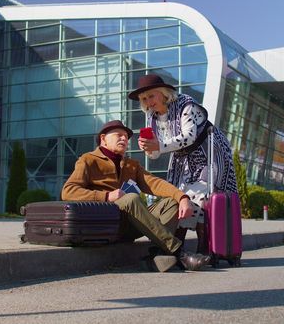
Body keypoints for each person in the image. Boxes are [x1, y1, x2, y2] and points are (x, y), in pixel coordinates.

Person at [61, 120, 209, 272]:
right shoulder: (88, 160)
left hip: (134, 223)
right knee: (130, 198)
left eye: (126, 137)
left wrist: (182, 197)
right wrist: (106, 196)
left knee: (172, 203)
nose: (124, 139)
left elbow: (155, 183)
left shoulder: (131, 164)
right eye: (119, 135)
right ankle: (179, 252)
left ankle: (156, 254)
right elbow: (68, 191)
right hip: (108, 225)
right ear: (103, 138)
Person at [128, 74, 238, 254]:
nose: (148, 101)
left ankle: (200, 246)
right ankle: (181, 246)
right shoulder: (152, 118)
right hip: (183, 159)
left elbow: (189, 136)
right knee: (179, 196)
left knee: (200, 196)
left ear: (164, 93)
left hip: (209, 153)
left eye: (151, 96)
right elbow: (156, 154)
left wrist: (160, 146)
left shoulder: (187, 105)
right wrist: (149, 148)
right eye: (144, 99)